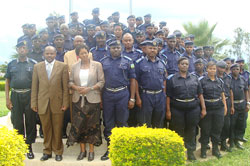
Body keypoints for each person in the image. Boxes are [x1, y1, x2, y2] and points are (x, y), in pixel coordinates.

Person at [66, 44, 105, 161]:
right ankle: (82, 151)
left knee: (92, 126)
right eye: (81, 53)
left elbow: (102, 82)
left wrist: (91, 88)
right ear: (78, 55)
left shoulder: (97, 65)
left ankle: (91, 151)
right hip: (78, 99)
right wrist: (76, 88)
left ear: (89, 53)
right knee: (80, 126)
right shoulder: (74, 66)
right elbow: (70, 82)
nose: (84, 55)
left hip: (93, 99)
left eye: (85, 52)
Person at [31, 46, 69, 162]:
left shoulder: (62, 66)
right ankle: (47, 151)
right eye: (47, 53)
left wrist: (65, 102)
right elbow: (34, 86)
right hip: (42, 103)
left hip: (58, 103)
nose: (49, 55)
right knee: (46, 128)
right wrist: (34, 102)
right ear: (44, 54)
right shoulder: (37, 67)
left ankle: (58, 151)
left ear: (55, 54)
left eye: (51, 53)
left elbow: (65, 87)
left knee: (57, 129)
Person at [100, 40, 136, 160]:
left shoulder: (128, 61)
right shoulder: (103, 62)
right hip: (108, 94)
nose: (115, 49)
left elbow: (133, 80)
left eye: (117, 47)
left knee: (122, 122)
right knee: (108, 122)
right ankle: (110, 149)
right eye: (113, 48)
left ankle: (122, 149)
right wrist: (100, 99)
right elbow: (100, 81)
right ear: (109, 49)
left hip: (122, 94)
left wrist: (132, 98)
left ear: (121, 48)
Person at [166, 57, 206, 161]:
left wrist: (203, 108)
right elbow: (168, 96)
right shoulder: (172, 79)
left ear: (189, 66)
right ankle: (178, 152)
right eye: (182, 64)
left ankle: (190, 152)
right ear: (178, 65)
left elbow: (200, 94)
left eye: (186, 64)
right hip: (177, 108)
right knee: (178, 130)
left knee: (191, 130)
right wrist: (168, 110)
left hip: (193, 108)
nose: (184, 66)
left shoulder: (194, 78)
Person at [5, 41, 37, 160]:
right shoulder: (11, 64)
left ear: (27, 50)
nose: (22, 50)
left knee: (30, 121)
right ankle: (19, 146)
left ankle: (29, 147)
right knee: (17, 122)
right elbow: (7, 81)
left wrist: (35, 100)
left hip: (29, 95)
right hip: (16, 95)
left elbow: (36, 83)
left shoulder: (33, 64)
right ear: (17, 50)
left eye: (24, 48)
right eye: (19, 48)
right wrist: (8, 99)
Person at [199, 61, 227, 159]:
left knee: (217, 129)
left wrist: (225, 107)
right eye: (210, 68)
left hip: (218, 107)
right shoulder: (202, 81)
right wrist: (203, 109)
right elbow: (200, 95)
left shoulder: (220, 81)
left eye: (214, 69)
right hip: (207, 107)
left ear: (216, 70)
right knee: (205, 130)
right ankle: (203, 151)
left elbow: (222, 95)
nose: (212, 70)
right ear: (206, 69)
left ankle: (215, 150)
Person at [135, 41, 167, 128]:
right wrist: (138, 97)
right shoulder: (139, 63)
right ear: (145, 49)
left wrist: (164, 94)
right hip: (146, 96)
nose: (152, 50)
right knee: (145, 123)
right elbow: (135, 81)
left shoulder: (162, 63)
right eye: (150, 48)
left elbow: (164, 80)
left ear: (157, 50)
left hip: (160, 95)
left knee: (159, 123)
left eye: (154, 48)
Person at [230, 63, 250, 150]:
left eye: (237, 69)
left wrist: (248, 103)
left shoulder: (242, 79)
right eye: (234, 69)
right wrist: (232, 106)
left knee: (240, 123)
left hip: (242, 103)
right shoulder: (228, 79)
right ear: (231, 70)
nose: (236, 71)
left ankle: (237, 140)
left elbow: (246, 91)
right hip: (233, 104)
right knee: (232, 124)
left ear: (239, 70)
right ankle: (231, 140)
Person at [216, 61, 234, 152]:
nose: (221, 69)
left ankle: (223, 143)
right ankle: (215, 145)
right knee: (217, 125)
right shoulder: (213, 77)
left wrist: (232, 106)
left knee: (227, 125)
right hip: (217, 102)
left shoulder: (228, 78)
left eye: (223, 68)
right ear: (216, 67)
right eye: (220, 67)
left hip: (227, 101)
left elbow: (231, 91)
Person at [236, 58, 250, 143]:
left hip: (244, 99)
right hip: (236, 101)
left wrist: (248, 101)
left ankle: (241, 136)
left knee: (243, 119)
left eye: (242, 63)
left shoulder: (247, 74)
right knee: (236, 120)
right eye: (238, 63)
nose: (240, 64)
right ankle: (235, 138)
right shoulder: (232, 75)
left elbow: (248, 88)